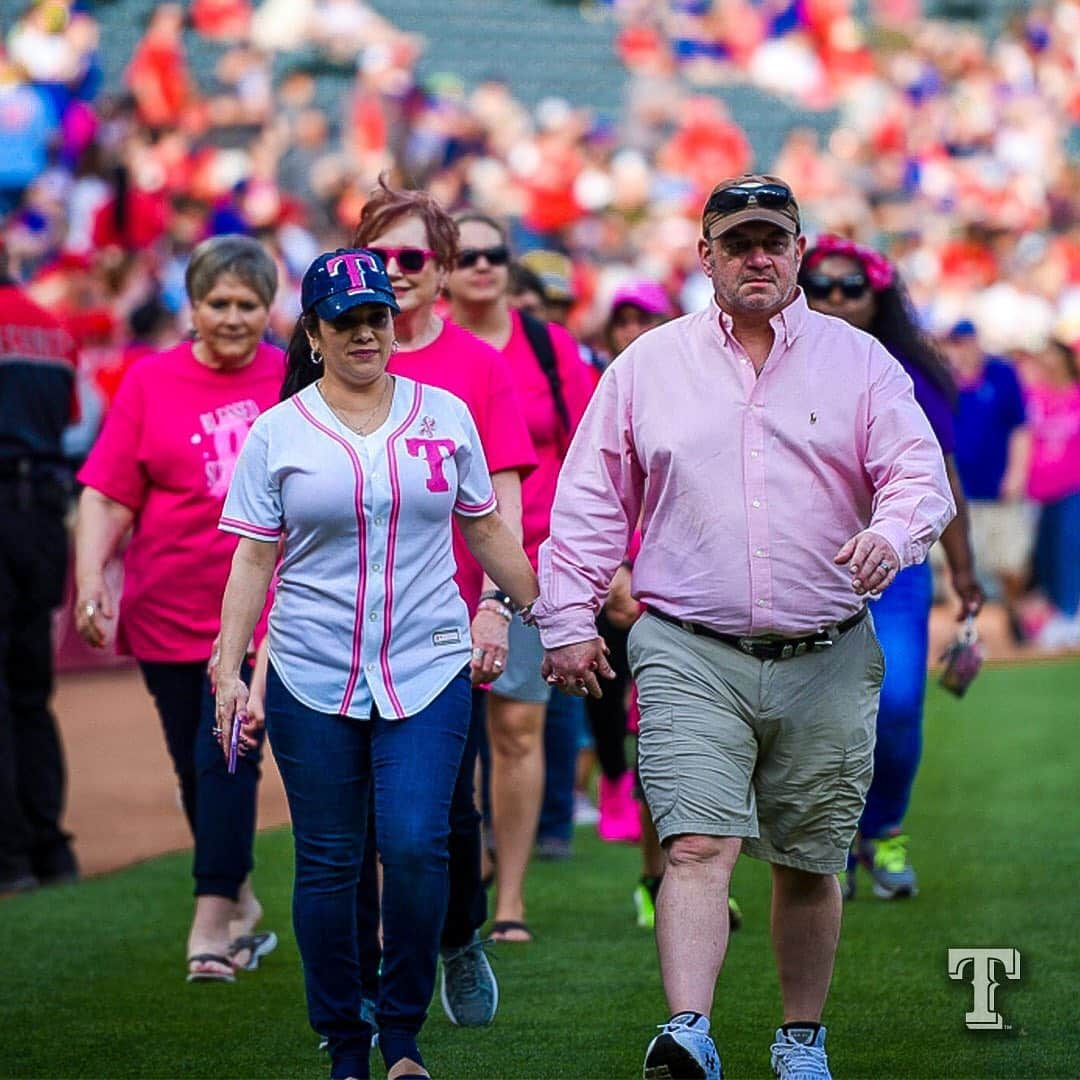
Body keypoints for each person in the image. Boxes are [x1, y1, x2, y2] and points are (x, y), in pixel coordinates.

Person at [531, 175, 955, 1080]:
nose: (758, 258)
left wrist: (892, 530)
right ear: (705, 256)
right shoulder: (646, 365)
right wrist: (566, 618)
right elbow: (590, 503)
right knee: (693, 841)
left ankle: (800, 1038)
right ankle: (688, 1031)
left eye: (775, 241)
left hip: (828, 651)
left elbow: (919, 474)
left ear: (799, 250)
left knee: (811, 858)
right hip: (688, 645)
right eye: (738, 243)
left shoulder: (860, 363)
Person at [213, 248, 538, 1080]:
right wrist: (228, 667)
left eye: (376, 317)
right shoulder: (278, 431)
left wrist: (551, 611)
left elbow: (487, 527)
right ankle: (346, 1042)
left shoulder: (446, 412)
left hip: (426, 661)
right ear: (315, 335)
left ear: (394, 326)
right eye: (345, 320)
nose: (365, 332)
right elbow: (253, 557)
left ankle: (402, 1032)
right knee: (329, 858)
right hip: (310, 668)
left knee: (416, 843)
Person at [350, 179, 536, 1026]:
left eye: (412, 258)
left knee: (441, 817)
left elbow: (501, 501)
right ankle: (361, 980)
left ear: (444, 268)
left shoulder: (479, 368)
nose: (394, 273)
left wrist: (495, 603)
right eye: (378, 256)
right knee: (347, 818)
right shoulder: (329, 349)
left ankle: (457, 938)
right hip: (343, 621)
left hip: (443, 623)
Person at [74, 234, 281, 981]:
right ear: (192, 307)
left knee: (228, 752)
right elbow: (107, 493)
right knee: (196, 769)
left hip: (260, 611)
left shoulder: (293, 378)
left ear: (270, 308)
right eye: (217, 303)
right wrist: (91, 574)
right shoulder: (149, 382)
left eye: (247, 304)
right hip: (167, 608)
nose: (231, 317)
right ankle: (241, 899)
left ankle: (209, 923)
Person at [799, 234, 983, 900]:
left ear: (878, 296)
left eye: (854, 288)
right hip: (810, 565)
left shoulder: (907, 372)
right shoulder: (774, 365)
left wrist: (964, 573)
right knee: (819, 712)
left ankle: (886, 831)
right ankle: (836, 840)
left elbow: (945, 478)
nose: (839, 300)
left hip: (900, 566)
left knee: (899, 703)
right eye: (823, 287)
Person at [447, 211, 596, 940]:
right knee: (446, 736)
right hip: (433, 568)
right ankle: (461, 868)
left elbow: (590, 453)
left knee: (517, 728)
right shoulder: (416, 345)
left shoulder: (547, 345)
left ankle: (509, 895)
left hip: (528, 561)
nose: (481, 265)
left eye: (494, 253)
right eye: (464, 254)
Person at [0, 245, 80, 896]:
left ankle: (10, 857)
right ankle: (51, 848)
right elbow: (72, 423)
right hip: (45, 518)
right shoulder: (51, 327)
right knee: (30, 691)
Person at [941, 319, 1031, 630]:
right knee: (955, 565)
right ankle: (967, 629)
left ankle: (1012, 621)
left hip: (995, 488)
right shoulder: (944, 377)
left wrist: (1017, 473)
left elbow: (1020, 427)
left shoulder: (1001, 374)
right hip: (958, 493)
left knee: (1009, 563)